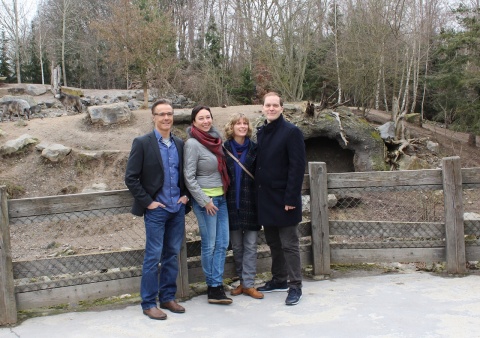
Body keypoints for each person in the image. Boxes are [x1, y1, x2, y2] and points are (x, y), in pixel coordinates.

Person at [125, 99, 189, 320]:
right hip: (156, 210)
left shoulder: (180, 143)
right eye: (161, 114)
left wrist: (186, 195)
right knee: (153, 257)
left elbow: (185, 174)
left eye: (169, 114)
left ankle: (168, 297)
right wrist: (148, 202)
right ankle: (149, 303)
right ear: (153, 117)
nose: (166, 118)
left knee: (172, 254)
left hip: (176, 209)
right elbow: (131, 178)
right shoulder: (143, 143)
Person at [255, 92, 306, 306]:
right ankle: (279, 280)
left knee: (289, 244)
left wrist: (291, 198)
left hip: (285, 199)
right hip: (266, 198)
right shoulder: (262, 132)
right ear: (263, 108)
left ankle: (295, 286)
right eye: (268, 105)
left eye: (275, 105)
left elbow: (297, 167)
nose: (272, 108)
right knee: (273, 243)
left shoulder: (291, 132)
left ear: (282, 108)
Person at [184, 105, 232, 305]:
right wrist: (205, 201)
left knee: (223, 243)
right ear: (194, 122)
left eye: (208, 117)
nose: (206, 121)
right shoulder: (192, 144)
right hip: (206, 202)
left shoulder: (216, 141)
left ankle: (217, 283)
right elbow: (189, 176)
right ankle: (212, 287)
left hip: (221, 197)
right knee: (210, 244)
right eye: (201, 118)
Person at [223, 113, 263, 299]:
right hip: (231, 203)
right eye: (238, 123)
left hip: (252, 202)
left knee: (251, 244)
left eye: (245, 123)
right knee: (237, 246)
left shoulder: (256, 148)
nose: (242, 126)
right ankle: (242, 282)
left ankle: (249, 284)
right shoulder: (223, 149)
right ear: (232, 127)